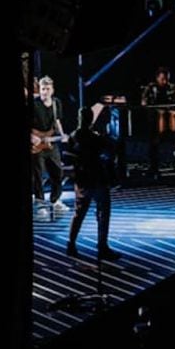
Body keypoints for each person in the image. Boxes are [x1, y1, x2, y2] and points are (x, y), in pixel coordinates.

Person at [66, 107, 120, 260]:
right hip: (96, 178)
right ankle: (102, 246)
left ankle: (71, 244)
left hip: (81, 179)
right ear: (91, 120)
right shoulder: (94, 137)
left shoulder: (73, 136)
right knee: (103, 211)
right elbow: (110, 147)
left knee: (79, 212)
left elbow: (70, 155)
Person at [30, 76, 68, 212]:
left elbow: (57, 121)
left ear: (52, 90)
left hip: (51, 141)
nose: (44, 92)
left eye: (47, 89)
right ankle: (40, 204)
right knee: (38, 175)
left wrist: (62, 135)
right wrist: (32, 137)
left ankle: (55, 200)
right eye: (42, 89)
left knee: (57, 172)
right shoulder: (33, 103)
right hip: (36, 144)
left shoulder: (56, 103)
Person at [141, 66, 175, 178]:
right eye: (162, 79)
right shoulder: (150, 87)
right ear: (157, 78)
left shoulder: (172, 87)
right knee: (153, 144)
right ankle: (154, 167)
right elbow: (143, 101)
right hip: (153, 119)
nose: (164, 81)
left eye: (166, 79)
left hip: (169, 118)